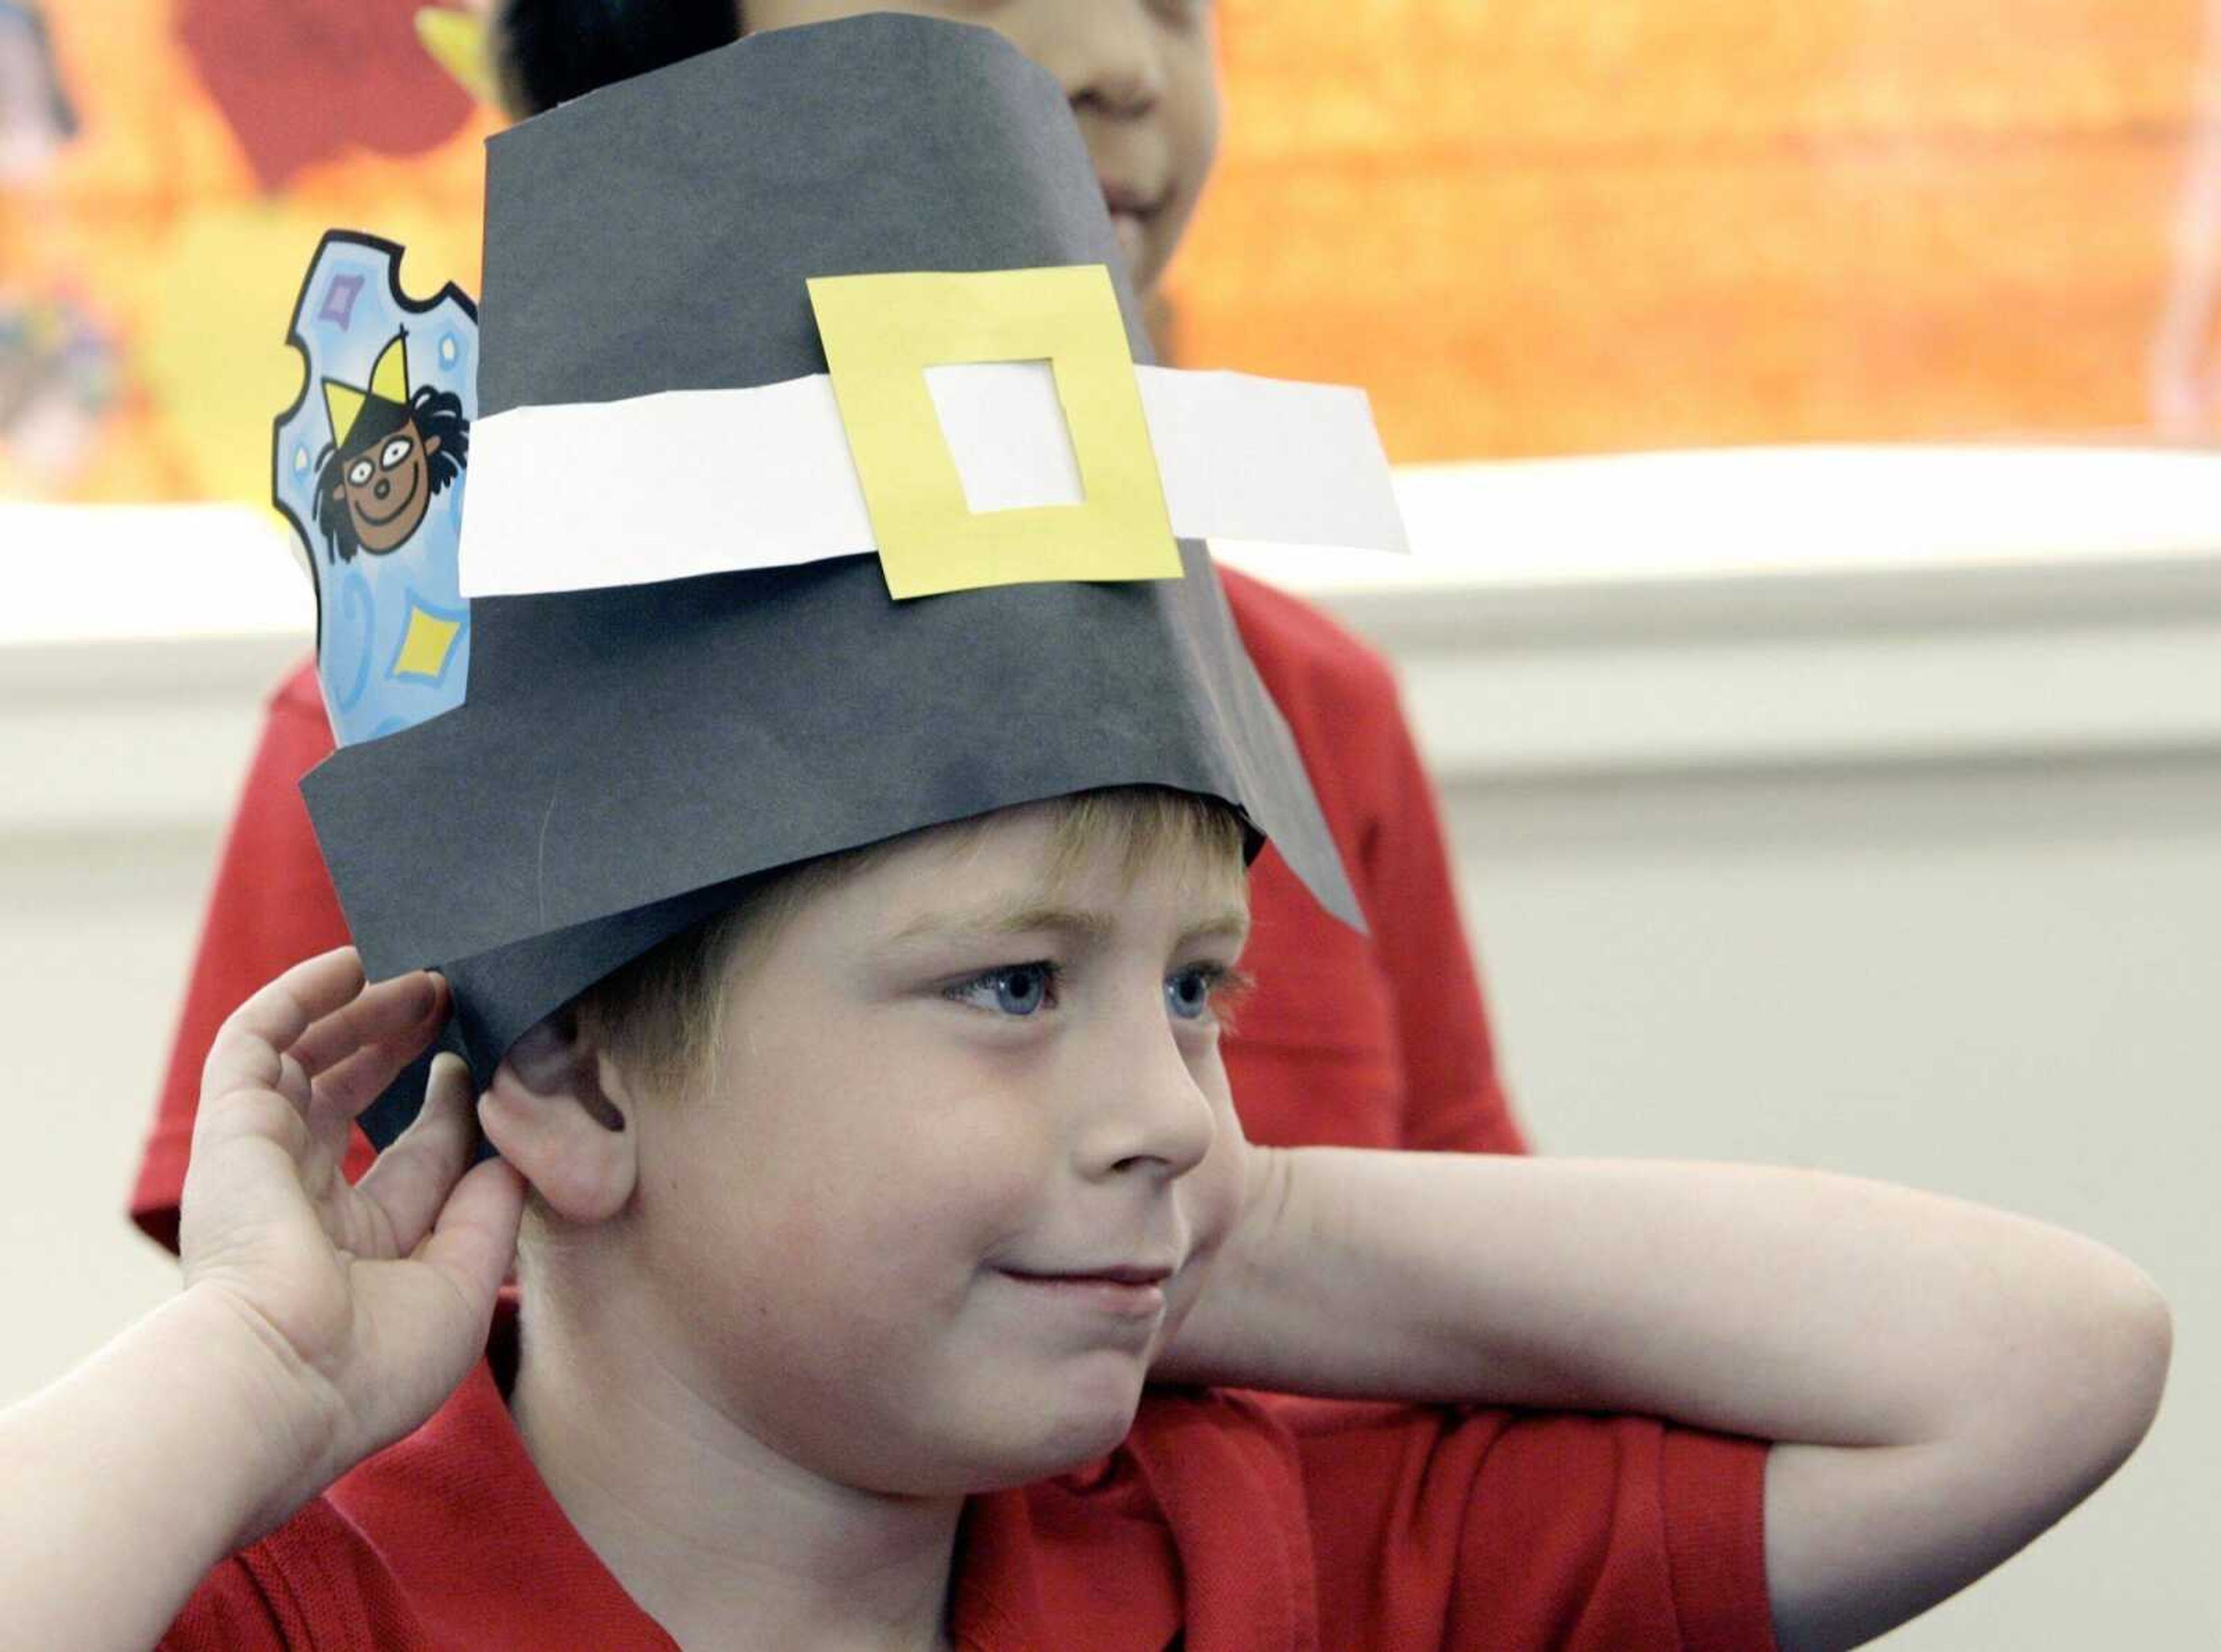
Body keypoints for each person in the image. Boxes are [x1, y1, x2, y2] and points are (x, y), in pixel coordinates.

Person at [12, 20, 2174, 1649]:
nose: (1164, 1096)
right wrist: (264, 1365)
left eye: (1206, 990)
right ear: (567, 1067)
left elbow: (2045, 1361)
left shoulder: (1257, 1564)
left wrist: (1250, 1225)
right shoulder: (303, 1604)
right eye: (1017, 982)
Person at [129, 0, 1523, 1256]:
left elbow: (1493, 1317)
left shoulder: (1316, 712)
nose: (1116, 59)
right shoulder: (407, 730)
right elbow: (311, 1327)